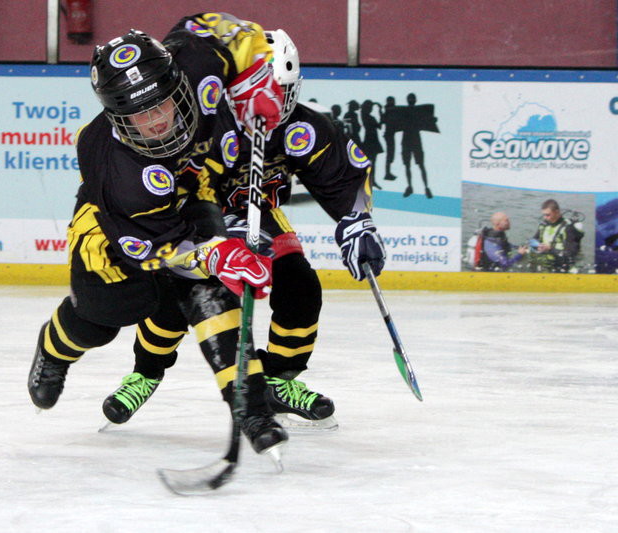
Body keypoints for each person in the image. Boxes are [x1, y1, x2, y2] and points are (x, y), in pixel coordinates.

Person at [27, 19, 290, 455]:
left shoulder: (196, 61)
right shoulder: (117, 171)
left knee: (211, 292)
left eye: (160, 106)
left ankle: (252, 408)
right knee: (100, 320)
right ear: (116, 116)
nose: (153, 123)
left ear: (178, 86)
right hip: (117, 229)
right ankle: (54, 349)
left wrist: (258, 74)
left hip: (191, 194)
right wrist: (216, 255)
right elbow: (167, 247)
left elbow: (216, 29)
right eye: (137, 115)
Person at [106, 27, 386, 430]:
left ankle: (277, 380)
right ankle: (145, 373)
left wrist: (357, 221)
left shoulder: (302, 129)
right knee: (179, 296)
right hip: (198, 220)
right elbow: (164, 188)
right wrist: (218, 234)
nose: (274, 107)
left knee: (300, 285)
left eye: (284, 94)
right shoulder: (202, 124)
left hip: (259, 216)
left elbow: (341, 174)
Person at [531, 199, 584, 273]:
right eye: (544, 215)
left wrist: (550, 249)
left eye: (548, 215)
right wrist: (538, 246)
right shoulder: (544, 225)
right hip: (545, 263)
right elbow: (533, 240)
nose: (545, 218)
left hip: (561, 266)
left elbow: (570, 254)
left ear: (557, 212)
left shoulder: (568, 228)